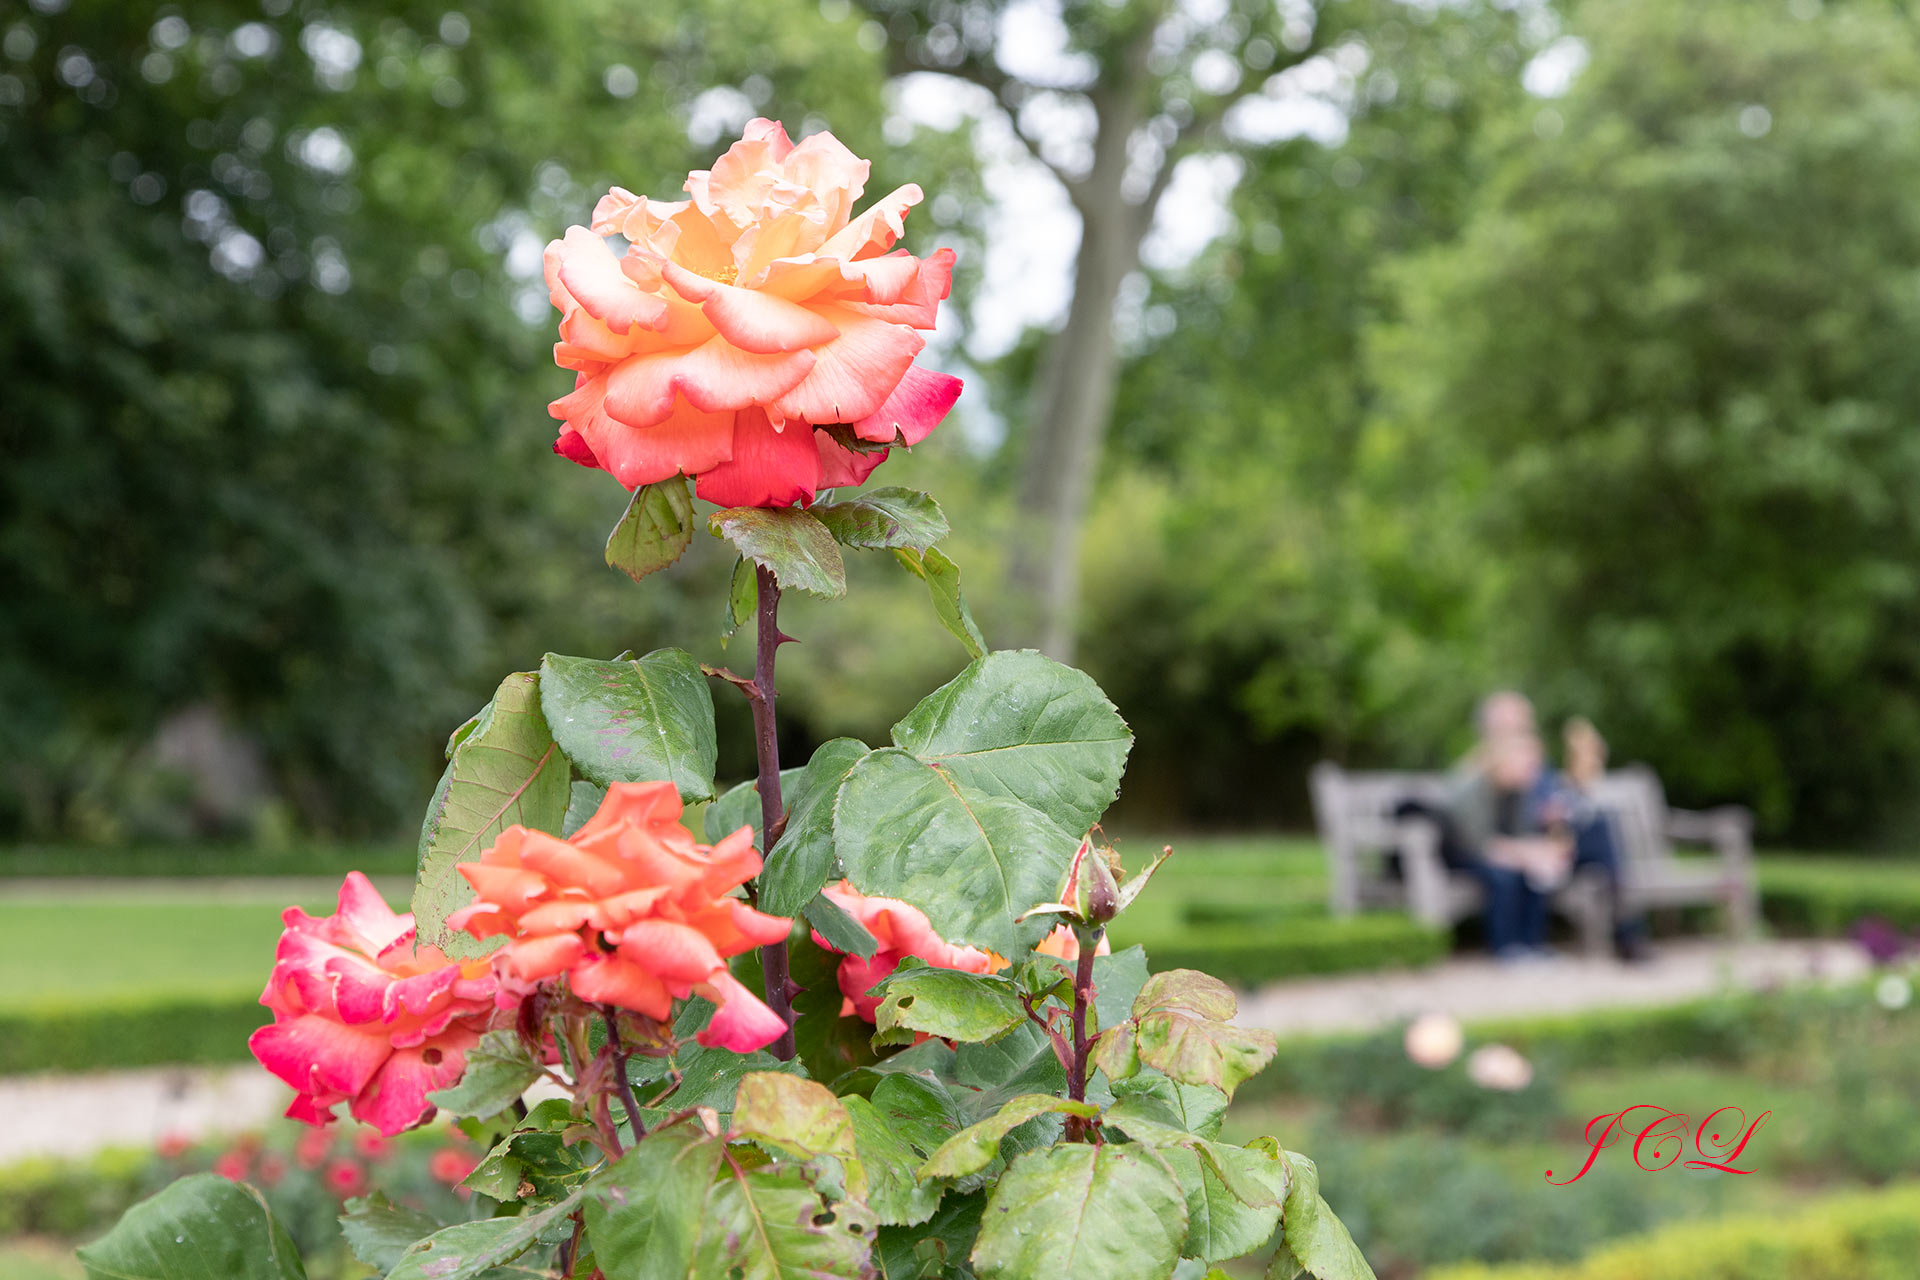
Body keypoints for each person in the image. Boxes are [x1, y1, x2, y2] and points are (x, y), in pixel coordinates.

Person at [1440, 702, 1565, 961]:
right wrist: (1522, 853)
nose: (1533, 773)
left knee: (1536, 870)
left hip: (1499, 849)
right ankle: (1505, 948)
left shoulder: (1521, 790)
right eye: (1527, 765)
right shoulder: (1473, 789)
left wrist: (1536, 853)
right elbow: (1476, 843)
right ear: (1504, 761)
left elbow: (1523, 833)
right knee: (1503, 874)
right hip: (1459, 852)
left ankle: (1533, 946)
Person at [1535, 718, 1653, 962]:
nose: (1592, 759)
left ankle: (1628, 936)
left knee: (1606, 839)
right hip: (1563, 856)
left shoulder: (1603, 789)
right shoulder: (1556, 785)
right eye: (1585, 753)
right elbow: (1554, 829)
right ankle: (1629, 937)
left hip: (1595, 859)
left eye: (1595, 753)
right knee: (1603, 833)